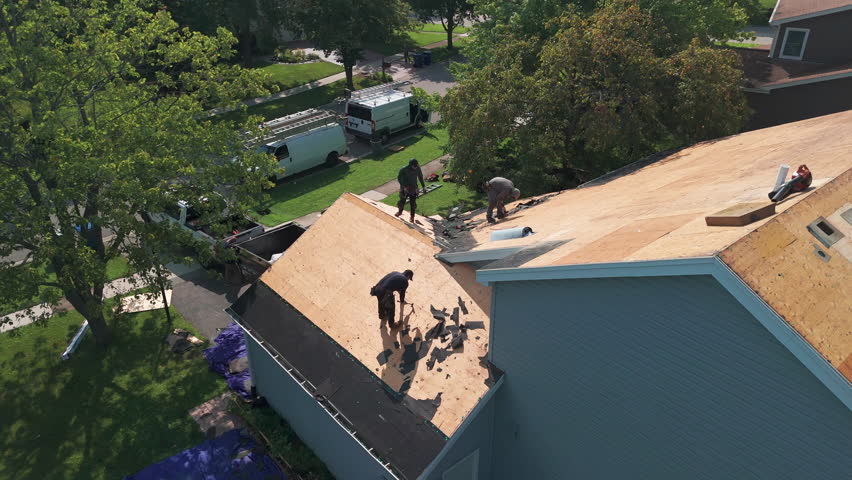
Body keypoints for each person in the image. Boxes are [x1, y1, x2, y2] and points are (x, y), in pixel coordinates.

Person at [395, 158, 426, 223]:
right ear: (410, 165)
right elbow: (399, 178)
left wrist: (423, 186)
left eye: (416, 166)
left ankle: (412, 217)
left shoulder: (417, 168)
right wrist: (404, 186)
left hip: (413, 188)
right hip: (404, 187)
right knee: (402, 202)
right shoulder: (403, 169)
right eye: (414, 166)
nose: (415, 167)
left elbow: (420, 177)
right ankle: (400, 212)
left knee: (413, 203)